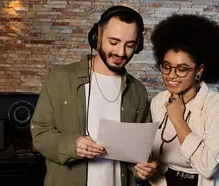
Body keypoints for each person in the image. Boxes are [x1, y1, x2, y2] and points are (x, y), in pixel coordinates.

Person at [30, 5, 157, 186]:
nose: (121, 52)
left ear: (138, 45)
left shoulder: (137, 91)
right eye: (113, 42)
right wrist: (72, 145)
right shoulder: (60, 79)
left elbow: (139, 152)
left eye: (130, 45)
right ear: (97, 38)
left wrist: (142, 168)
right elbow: (39, 135)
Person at [146, 14, 219, 186]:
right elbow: (155, 156)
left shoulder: (217, 105)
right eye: (166, 67)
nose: (171, 75)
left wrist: (178, 119)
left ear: (199, 70)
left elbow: (208, 167)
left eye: (182, 69)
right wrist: (147, 167)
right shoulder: (159, 101)